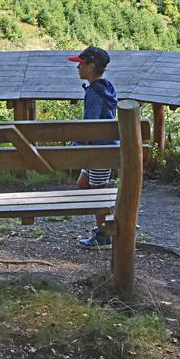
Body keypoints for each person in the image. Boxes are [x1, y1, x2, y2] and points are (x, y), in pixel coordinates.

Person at [67, 46, 118, 249]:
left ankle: (104, 234)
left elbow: (91, 126)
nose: (78, 67)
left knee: (97, 194)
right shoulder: (106, 88)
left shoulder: (94, 94)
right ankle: (109, 213)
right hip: (102, 149)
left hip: (99, 151)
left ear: (91, 66)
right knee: (83, 184)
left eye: (81, 64)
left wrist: (75, 146)